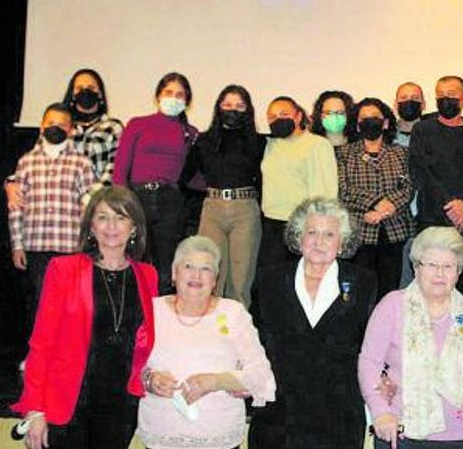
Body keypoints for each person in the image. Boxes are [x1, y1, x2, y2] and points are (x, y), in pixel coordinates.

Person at [11, 186, 158, 449]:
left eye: (121, 217)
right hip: (68, 403)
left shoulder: (148, 276)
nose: (111, 226)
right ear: (91, 226)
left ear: (134, 227)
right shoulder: (63, 270)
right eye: (102, 217)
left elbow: (149, 344)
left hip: (120, 405)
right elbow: (41, 344)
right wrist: (34, 409)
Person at [248, 197, 377, 448]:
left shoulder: (364, 282)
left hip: (338, 415)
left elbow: (369, 347)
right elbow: (254, 341)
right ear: (299, 238)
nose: (319, 242)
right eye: (311, 232)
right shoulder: (269, 280)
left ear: (342, 243)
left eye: (329, 234)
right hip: (278, 414)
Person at [359, 226, 463, 448]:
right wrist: (380, 412)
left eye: (448, 266)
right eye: (432, 265)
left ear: (459, 272)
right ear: (416, 267)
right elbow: (369, 362)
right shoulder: (392, 305)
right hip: (403, 433)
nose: (440, 274)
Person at [136, 236, 276, 449]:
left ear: (215, 279)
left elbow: (261, 377)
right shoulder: (151, 310)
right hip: (161, 434)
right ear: (174, 273)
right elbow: (128, 366)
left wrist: (215, 381)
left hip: (218, 437)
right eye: (188, 266)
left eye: (206, 269)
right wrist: (149, 379)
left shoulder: (233, 313)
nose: (196, 275)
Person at [8, 103, 96, 338]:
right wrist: (17, 244)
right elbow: (16, 207)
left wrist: (89, 245)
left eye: (61, 125)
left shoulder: (82, 163)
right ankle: (39, 353)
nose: (55, 128)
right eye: (50, 123)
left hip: (70, 247)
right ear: (41, 127)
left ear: (71, 130)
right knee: (40, 303)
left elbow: (92, 209)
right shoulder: (26, 162)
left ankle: (66, 354)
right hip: (36, 246)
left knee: (70, 305)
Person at [394, 81, 463, 288]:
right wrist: (452, 205)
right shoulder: (423, 129)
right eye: (440, 94)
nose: (445, 99)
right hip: (433, 219)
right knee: (431, 286)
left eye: (452, 94)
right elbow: (421, 172)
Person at [113, 72, 199, 295]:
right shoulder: (137, 124)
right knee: (133, 259)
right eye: (168, 92)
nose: (174, 98)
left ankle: (159, 320)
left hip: (171, 202)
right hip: (136, 199)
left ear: (187, 102)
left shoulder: (190, 133)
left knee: (165, 266)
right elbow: (121, 168)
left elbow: (195, 178)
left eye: (180, 95)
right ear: (158, 96)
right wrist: (121, 206)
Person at [180, 85, 265, 306]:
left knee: (241, 278)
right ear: (218, 107)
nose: (232, 109)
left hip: (245, 209)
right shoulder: (204, 141)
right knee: (210, 273)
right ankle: (210, 332)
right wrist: (209, 192)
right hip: (213, 210)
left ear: (248, 110)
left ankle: (237, 334)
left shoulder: (258, 142)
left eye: (239, 105)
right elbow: (186, 177)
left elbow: (263, 178)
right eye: (227, 104)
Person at [5, 68, 123, 210]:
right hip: (57, 201)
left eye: (91, 87)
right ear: (72, 94)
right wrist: (11, 183)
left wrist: (89, 200)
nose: (85, 91)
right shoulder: (58, 125)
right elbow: (35, 158)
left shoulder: (113, 127)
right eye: (79, 88)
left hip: (97, 206)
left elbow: (113, 169)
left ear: (100, 93)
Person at [337, 97, 415, 300]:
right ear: (356, 123)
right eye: (364, 118)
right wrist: (375, 204)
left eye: (375, 117)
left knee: (389, 292)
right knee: (357, 293)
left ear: (386, 122)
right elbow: (344, 190)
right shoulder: (344, 154)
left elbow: (409, 187)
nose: (370, 121)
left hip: (394, 231)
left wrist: (386, 208)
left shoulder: (401, 153)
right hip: (359, 230)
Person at [258, 96, 338, 267]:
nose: (278, 119)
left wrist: (317, 227)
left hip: (302, 225)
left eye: (284, 113)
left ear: (298, 116)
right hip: (271, 223)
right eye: (272, 117)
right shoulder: (269, 144)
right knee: (269, 279)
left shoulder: (317, 144)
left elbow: (326, 191)